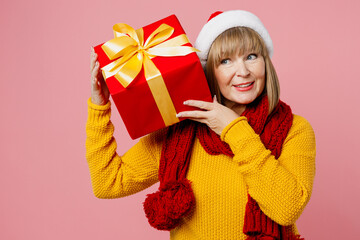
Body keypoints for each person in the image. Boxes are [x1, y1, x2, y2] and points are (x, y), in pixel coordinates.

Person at [86, 10, 316, 240]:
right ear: (209, 71)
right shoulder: (179, 130)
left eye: (251, 56)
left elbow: (287, 209)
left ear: (265, 63)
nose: (243, 72)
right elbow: (108, 182)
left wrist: (233, 129)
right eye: (226, 61)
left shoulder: (295, 129)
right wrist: (99, 106)